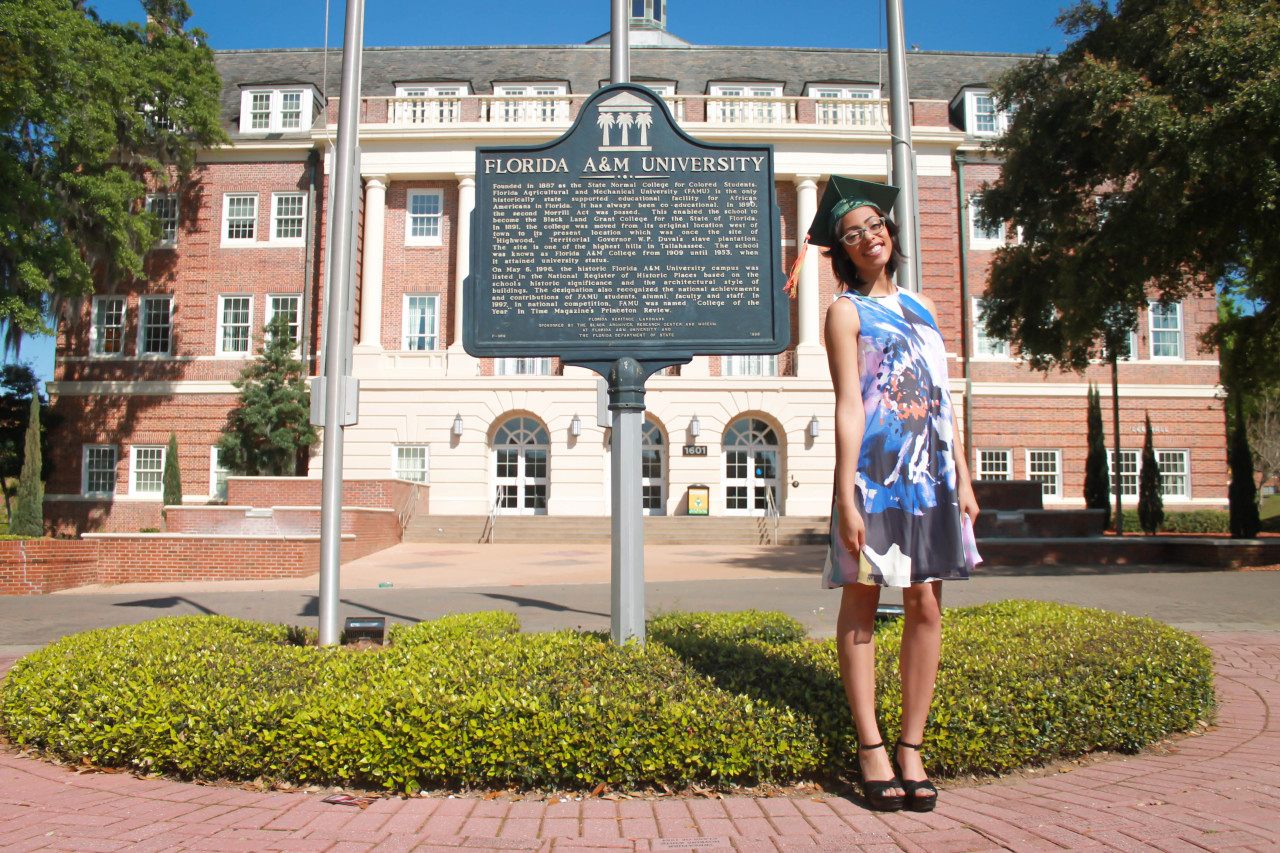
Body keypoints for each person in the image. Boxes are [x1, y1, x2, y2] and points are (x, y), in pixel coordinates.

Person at [810, 176, 980, 812]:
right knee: (862, 601)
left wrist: (962, 477)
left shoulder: (926, 307)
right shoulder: (845, 312)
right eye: (852, 233)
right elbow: (850, 403)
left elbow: (941, 399)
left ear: (890, 230)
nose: (867, 236)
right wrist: (846, 494)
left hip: (931, 474)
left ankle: (913, 746)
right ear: (842, 249)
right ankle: (871, 747)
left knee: (926, 605)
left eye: (873, 224)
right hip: (876, 476)